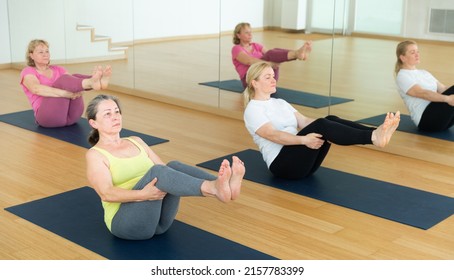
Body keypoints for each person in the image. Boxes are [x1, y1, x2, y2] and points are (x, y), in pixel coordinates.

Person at [85, 94, 245, 240]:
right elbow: (106, 193)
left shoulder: (136, 140)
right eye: (107, 114)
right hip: (126, 224)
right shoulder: (96, 154)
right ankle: (214, 188)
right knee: (158, 172)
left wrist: (149, 194)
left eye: (117, 112)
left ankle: (224, 186)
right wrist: (143, 194)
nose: (115, 117)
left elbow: (167, 171)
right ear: (93, 122)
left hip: (159, 222)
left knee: (173, 166)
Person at [243, 62, 400, 180]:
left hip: (303, 163)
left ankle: (374, 133)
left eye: (273, 76)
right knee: (323, 124)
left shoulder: (280, 103)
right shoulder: (253, 109)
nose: (273, 80)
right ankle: (373, 137)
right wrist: (303, 140)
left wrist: (329, 126)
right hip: (283, 166)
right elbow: (273, 135)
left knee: (328, 120)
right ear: (254, 83)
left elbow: (304, 121)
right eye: (267, 77)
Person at [20, 39, 112, 128]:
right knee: (64, 80)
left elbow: (74, 85)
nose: (45, 55)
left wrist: (78, 90)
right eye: (41, 52)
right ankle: (91, 82)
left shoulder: (58, 69)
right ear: (31, 55)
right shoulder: (28, 71)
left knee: (74, 77)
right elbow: (36, 89)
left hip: (73, 116)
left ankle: (96, 80)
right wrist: (64, 94)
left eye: (47, 51)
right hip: (48, 117)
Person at [394, 40, 454, 132]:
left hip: (445, 121)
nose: (417, 54)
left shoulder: (424, 73)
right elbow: (422, 93)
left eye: (417, 51)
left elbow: (443, 89)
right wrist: (448, 99)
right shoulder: (402, 76)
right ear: (403, 58)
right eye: (412, 52)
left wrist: (450, 96)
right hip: (428, 121)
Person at [232, 22, 312, 88]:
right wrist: (270, 64)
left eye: (250, 32)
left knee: (274, 51)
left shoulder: (256, 45)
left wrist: (276, 61)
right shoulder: (236, 49)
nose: (250, 35)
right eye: (247, 32)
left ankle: (297, 53)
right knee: (271, 54)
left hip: (267, 77)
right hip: (250, 81)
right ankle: (297, 53)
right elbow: (249, 61)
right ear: (238, 35)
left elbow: (272, 54)